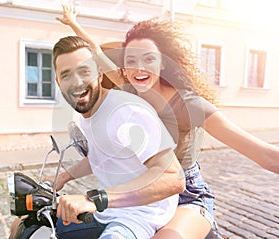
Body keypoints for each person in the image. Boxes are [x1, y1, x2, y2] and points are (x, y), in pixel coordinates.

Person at [56, 5, 279, 239]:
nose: (138, 68)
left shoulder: (190, 106)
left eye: (148, 59)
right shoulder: (129, 91)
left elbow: (264, 155)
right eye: (131, 60)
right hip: (145, 195)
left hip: (187, 196)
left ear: (163, 63)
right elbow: (94, 51)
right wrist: (73, 23)